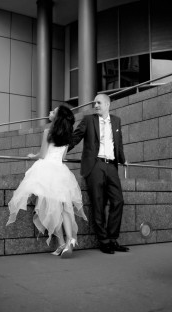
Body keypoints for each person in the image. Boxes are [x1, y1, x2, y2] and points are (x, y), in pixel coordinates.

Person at [6, 104, 88, 258]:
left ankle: (62, 243)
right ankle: (69, 241)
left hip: (46, 171)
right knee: (64, 208)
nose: (50, 112)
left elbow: (43, 155)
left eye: (53, 111)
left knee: (52, 209)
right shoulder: (67, 135)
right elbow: (63, 158)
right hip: (60, 171)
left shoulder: (48, 131)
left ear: (56, 117)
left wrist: (33, 155)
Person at [68, 93, 129, 254]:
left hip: (112, 166)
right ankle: (104, 241)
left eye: (99, 103)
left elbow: (119, 143)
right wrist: (59, 149)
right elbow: (75, 137)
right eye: (94, 103)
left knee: (118, 201)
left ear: (108, 104)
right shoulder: (88, 120)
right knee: (98, 203)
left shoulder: (116, 121)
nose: (95, 105)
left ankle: (113, 238)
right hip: (95, 165)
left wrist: (123, 159)